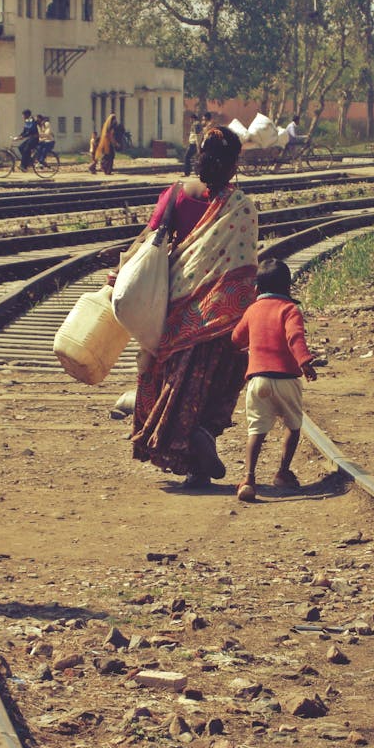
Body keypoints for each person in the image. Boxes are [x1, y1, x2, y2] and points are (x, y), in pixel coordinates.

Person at [123, 128, 258, 488]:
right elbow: (246, 266)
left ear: (199, 156)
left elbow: (150, 239)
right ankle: (203, 440)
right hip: (223, 314)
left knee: (175, 382)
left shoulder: (175, 195)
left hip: (178, 309)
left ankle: (188, 453)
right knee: (214, 383)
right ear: (233, 165)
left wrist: (119, 273)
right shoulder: (241, 205)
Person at [231, 258, 317, 503]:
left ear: (257, 289)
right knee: (293, 425)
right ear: (288, 288)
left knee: (256, 430)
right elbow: (294, 337)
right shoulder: (290, 310)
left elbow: (236, 338)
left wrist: (246, 345)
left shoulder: (252, 310)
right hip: (287, 379)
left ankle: (248, 478)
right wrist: (304, 362)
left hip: (258, 380)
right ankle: (282, 472)